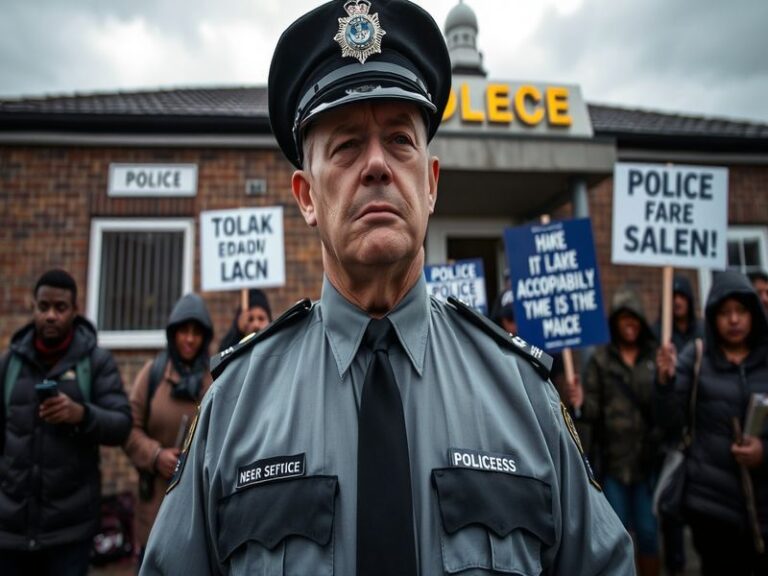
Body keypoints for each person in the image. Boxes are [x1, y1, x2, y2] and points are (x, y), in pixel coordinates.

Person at [141, 1, 634, 574]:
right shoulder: (234, 403)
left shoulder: (523, 393)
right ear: (306, 197)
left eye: (400, 140)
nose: (376, 165)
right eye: (346, 146)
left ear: (430, 183)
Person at [0, 269, 131, 576]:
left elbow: (121, 424)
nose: (50, 316)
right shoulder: (9, 364)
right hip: (10, 533)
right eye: (43, 307)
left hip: (69, 534)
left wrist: (82, 414)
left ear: (75, 311)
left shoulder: (96, 362)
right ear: (33, 307)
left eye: (60, 308)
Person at [657, 271, 768, 576]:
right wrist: (665, 383)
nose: (734, 320)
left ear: (754, 314)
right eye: (724, 312)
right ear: (712, 317)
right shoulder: (696, 357)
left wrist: (764, 451)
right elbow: (669, 420)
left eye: (741, 311)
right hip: (711, 508)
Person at [569, 288, 661, 576]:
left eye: (634, 318)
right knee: (616, 535)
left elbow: (665, 408)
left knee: (648, 533)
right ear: (615, 323)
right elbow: (592, 413)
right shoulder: (601, 360)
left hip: (646, 465)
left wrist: (669, 380)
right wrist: (581, 403)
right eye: (624, 318)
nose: (630, 324)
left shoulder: (654, 358)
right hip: (613, 464)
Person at [124, 293, 214, 568]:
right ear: (172, 333)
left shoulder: (215, 376)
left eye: (197, 333)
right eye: (183, 331)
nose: (189, 339)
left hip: (198, 509)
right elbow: (129, 428)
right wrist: (156, 456)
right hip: (156, 507)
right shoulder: (153, 374)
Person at [651, 274, 702, 576]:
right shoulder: (659, 335)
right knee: (670, 513)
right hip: (669, 441)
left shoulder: (703, 338)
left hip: (699, 437)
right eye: (673, 296)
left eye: (682, 295)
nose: (678, 301)